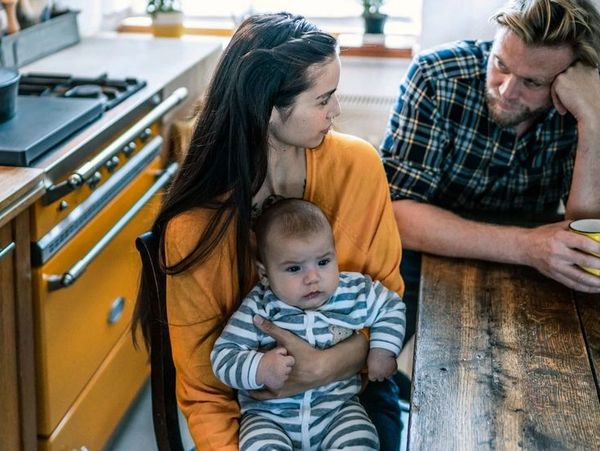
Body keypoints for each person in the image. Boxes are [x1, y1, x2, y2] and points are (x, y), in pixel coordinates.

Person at [132, 12, 405, 451]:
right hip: (257, 419)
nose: (336, 110)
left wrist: (322, 367)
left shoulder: (359, 167)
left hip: (353, 399)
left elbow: (387, 304)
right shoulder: (193, 229)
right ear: (269, 108)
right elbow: (206, 392)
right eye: (323, 99)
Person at [380, 0, 600, 343]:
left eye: (532, 82)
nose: (506, 90)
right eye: (500, 64)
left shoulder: (588, 101)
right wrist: (526, 246)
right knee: (376, 344)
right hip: (431, 244)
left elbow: (585, 237)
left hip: (537, 258)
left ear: (572, 78)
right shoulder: (436, 77)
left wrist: (593, 121)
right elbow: (396, 217)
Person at [211, 199, 406, 451]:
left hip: (337, 411)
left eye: (323, 262)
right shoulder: (260, 307)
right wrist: (259, 367)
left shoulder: (352, 291)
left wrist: (382, 350)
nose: (312, 278)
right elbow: (223, 357)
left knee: (361, 441)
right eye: (294, 268)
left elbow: (390, 306)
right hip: (269, 419)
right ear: (265, 274)